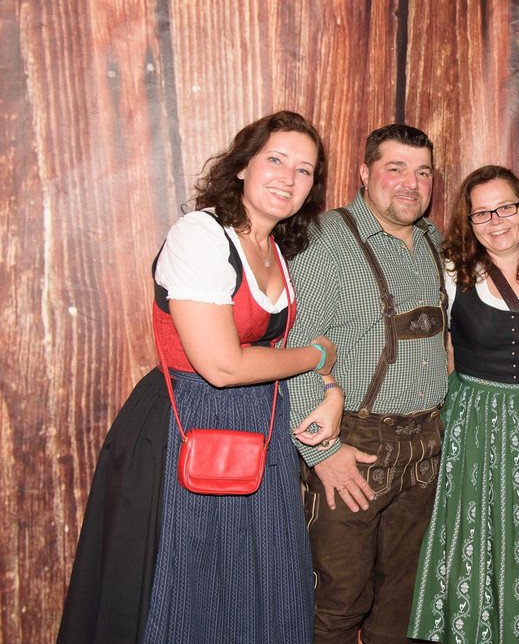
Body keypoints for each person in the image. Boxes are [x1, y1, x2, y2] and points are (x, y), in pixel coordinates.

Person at [58, 110, 343, 643]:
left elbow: (268, 352)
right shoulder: (200, 235)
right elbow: (222, 365)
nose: (289, 177)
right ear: (243, 166)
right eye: (276, 160)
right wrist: (316, 356)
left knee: (258, 588)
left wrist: (330, 390)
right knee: (192, 590)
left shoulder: (276, 249)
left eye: (304, 170)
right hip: (187, 427)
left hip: (258, 434)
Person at [286, 124, 448, 644]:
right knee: (337, 603)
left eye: (422, 172)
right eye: (395, 169)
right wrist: (322, 452)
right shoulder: (326, 240)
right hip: (354, 447)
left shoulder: (432, 240)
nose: (411, 184)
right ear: (364, 173)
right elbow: (293, 351)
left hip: (425, 447)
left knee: (404, 604)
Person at [407, 165, 519, 643]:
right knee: (474, 528)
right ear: (469, 221)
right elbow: (438, 348)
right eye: (482, 213)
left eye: (505, 208)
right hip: (475, 419)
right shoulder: (453, 271)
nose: (496, 221)